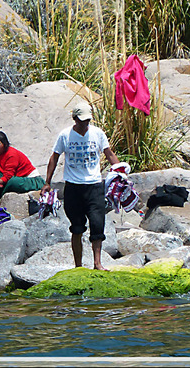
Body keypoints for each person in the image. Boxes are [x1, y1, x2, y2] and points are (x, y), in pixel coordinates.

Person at [40, 103, 120, 271]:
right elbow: (54, 157)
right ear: (75, 119)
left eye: (87, 121)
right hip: (73, 187)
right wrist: (47, 182)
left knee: (97, 224)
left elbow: (109, 154)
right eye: (82, 121)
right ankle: (78, 266)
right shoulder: (65, 135)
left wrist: (121, 173)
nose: (85, 124)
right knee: (77, 227)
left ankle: (97, 263)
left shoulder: (97, 134)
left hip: (94, 186)